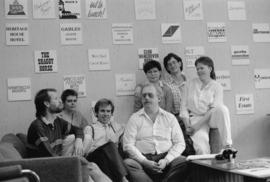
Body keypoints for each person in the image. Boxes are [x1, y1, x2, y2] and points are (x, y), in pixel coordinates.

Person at [27, 88, 111, 182]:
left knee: (92, 166)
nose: (60, 101)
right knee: (85, 168)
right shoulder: (37, 126)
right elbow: (49, 155)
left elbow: (78, 129)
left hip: (58, 163)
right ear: (46, 104)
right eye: (56, 98)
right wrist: (76, 161)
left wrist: (78, 141)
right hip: (45, 170)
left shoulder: (57, 121)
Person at [123, 83, 188, 182]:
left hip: (166, 159)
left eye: (150, 95)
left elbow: (180, 143)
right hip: (143, 160)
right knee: (128, 163)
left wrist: (166, 160)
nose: (146, 98)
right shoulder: (134, 118)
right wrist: (144, 161)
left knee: (182, 161)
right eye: (144, 96)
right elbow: (127, 145)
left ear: (159, 98)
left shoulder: (170, 118)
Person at [180, 56, 233, 154]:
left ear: (210, 68)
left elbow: (214, 109)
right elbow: (183, 108)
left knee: (222, 109)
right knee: (201, 148)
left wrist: (196, 126)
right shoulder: (189, 84)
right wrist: (188, 126)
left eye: (201, 68)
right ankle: (206, 167)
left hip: (211, 117)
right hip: (194, 118)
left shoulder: (217, 86)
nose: (199, 71)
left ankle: (228, 145)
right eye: (197, 69)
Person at [83, 98, 129, 182]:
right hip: (95, 157)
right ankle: (123, 179)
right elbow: (86, 150)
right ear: (96, 113)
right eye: (102, 111)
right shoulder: (90, 128)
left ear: (111, 114)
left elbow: (128, 127)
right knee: (110, 145)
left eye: (108, 111)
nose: (106, 114)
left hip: (110, 161)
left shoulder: (116, 127)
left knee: (112, 154)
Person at [163, 53, 195, 156]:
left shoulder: (191, 82)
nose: (172, 65)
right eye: (169, 64)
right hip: (177, 118)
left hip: (193, 115)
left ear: (180, 63)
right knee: (186, 143)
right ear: (167, 68)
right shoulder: (166, 85)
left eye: (174, 62)